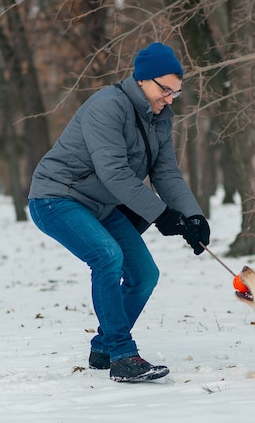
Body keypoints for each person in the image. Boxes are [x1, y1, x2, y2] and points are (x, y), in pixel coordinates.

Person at [28, 42, 210, 383]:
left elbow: (166, 173)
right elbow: (114, 173)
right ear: (142, 80)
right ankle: (122, 355)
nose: (170, 99)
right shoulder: (107, 107)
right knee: (107, 256)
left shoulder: (160, 117)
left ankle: (104, 347)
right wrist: (160, 215)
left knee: (144, 275)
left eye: (176, 92)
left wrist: (193, 216)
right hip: (56, 198)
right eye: (165, 89)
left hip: (100, 203)